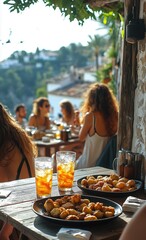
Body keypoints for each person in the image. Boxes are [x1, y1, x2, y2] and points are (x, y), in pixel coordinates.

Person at [0, 103, 37, 240]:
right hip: (30, 204)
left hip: (16, 218)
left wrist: (4, 233)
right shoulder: (18, 135)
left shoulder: (5, 145)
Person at [76, 82, 119, 169]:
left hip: (88, 165)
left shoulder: (91, 116)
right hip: (105, 165)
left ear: (91, 99)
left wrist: (79, 125)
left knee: (56, 159)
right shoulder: (116, 116)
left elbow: (81, 138)